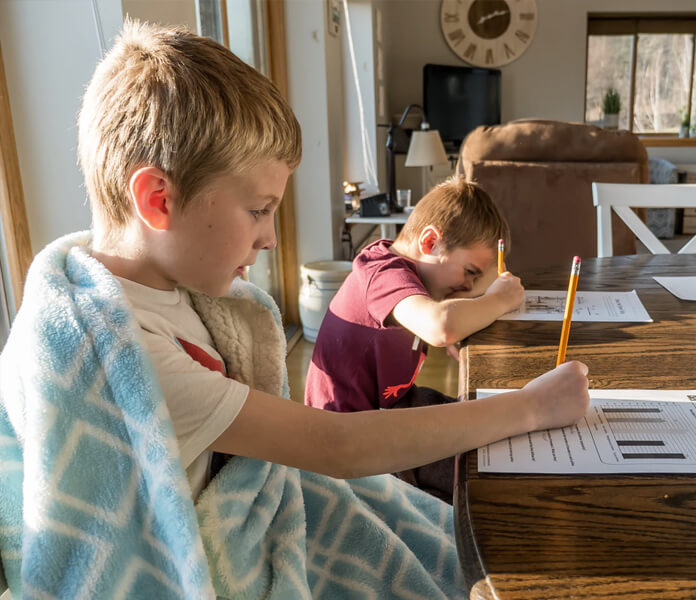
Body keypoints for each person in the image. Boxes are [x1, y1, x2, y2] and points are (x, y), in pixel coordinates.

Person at [0, 20, 590, 599]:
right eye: (259, 210)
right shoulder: (125, 356)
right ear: (159, 200)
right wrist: (531, 406)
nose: (270, 239)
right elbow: (338, 447)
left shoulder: (166, 288)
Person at [305, 177, 529, 501]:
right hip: (351, 445)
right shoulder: (382, 273)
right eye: (469, 272)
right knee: (481, 472)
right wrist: (499, 300)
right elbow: (441, 326)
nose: (469, 287)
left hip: (391, 410)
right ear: (429, 242)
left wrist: (475, 298)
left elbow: (448, 316)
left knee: (487, 430)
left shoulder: (416, 278)